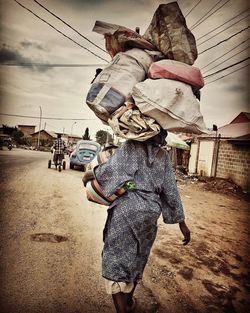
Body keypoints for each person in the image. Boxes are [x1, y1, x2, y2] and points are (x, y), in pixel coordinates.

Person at [82, 129, 190, 313]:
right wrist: (182, 223)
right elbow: (170, 189)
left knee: (116, 259)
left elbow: (111, 171)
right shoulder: (163, 155)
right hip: (150, 213)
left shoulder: (131, 146)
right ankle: (129, 303)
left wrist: (90, 175)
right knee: (137, 257)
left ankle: (122, 310)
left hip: (127, 210)